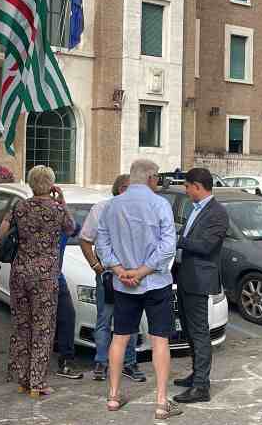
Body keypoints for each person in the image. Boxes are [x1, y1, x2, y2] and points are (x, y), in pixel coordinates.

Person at [95, 159, 180, 420]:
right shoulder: (160, 204)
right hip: (155, 282)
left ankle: (113, 395)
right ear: (152, 177)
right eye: (157, 178)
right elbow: (168, 246)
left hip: (124, 283)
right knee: (160, 340)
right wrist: (143, 270)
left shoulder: (112, 205)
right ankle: (161, 401)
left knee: (119, 337)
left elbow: (102, 241)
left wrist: (120, 270)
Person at [0, 165, 74, 397]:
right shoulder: (57, 210)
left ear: (31, 183)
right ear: (51, 184)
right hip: (45, 276)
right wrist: (61, 200)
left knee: (22, 325)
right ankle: (37, 382)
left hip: (20, 273)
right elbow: (71, 229)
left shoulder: (19, 207)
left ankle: (23, 379)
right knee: (43, 327)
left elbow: (2, 235)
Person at [78, 174, 146, 383]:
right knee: (104, 319)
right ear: (118, 189)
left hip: (131, 274)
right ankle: (101, 362)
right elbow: (85, 239)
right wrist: (96, 266)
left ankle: (129, 363)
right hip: (107, 275)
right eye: (127, 188)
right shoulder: (101, 209)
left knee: (130, 320)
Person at [173, 167, 229, 404]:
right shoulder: (195, 209)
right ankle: (196, 374)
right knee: (189, 331)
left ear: (197, 186)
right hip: (185, 277)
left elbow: (206, 246)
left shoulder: (217, 213)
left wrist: (177, 239)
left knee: (199, 332)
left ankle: (201, 387)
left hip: (199, 279)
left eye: (187, 186)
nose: (185, 191)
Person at [55, 229, 83, 380]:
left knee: (67, 316)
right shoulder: (31, 220)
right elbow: (2, 235)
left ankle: (66, 361)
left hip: (57, 279)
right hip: (36, 280)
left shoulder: (64, 225)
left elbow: (80, 230)